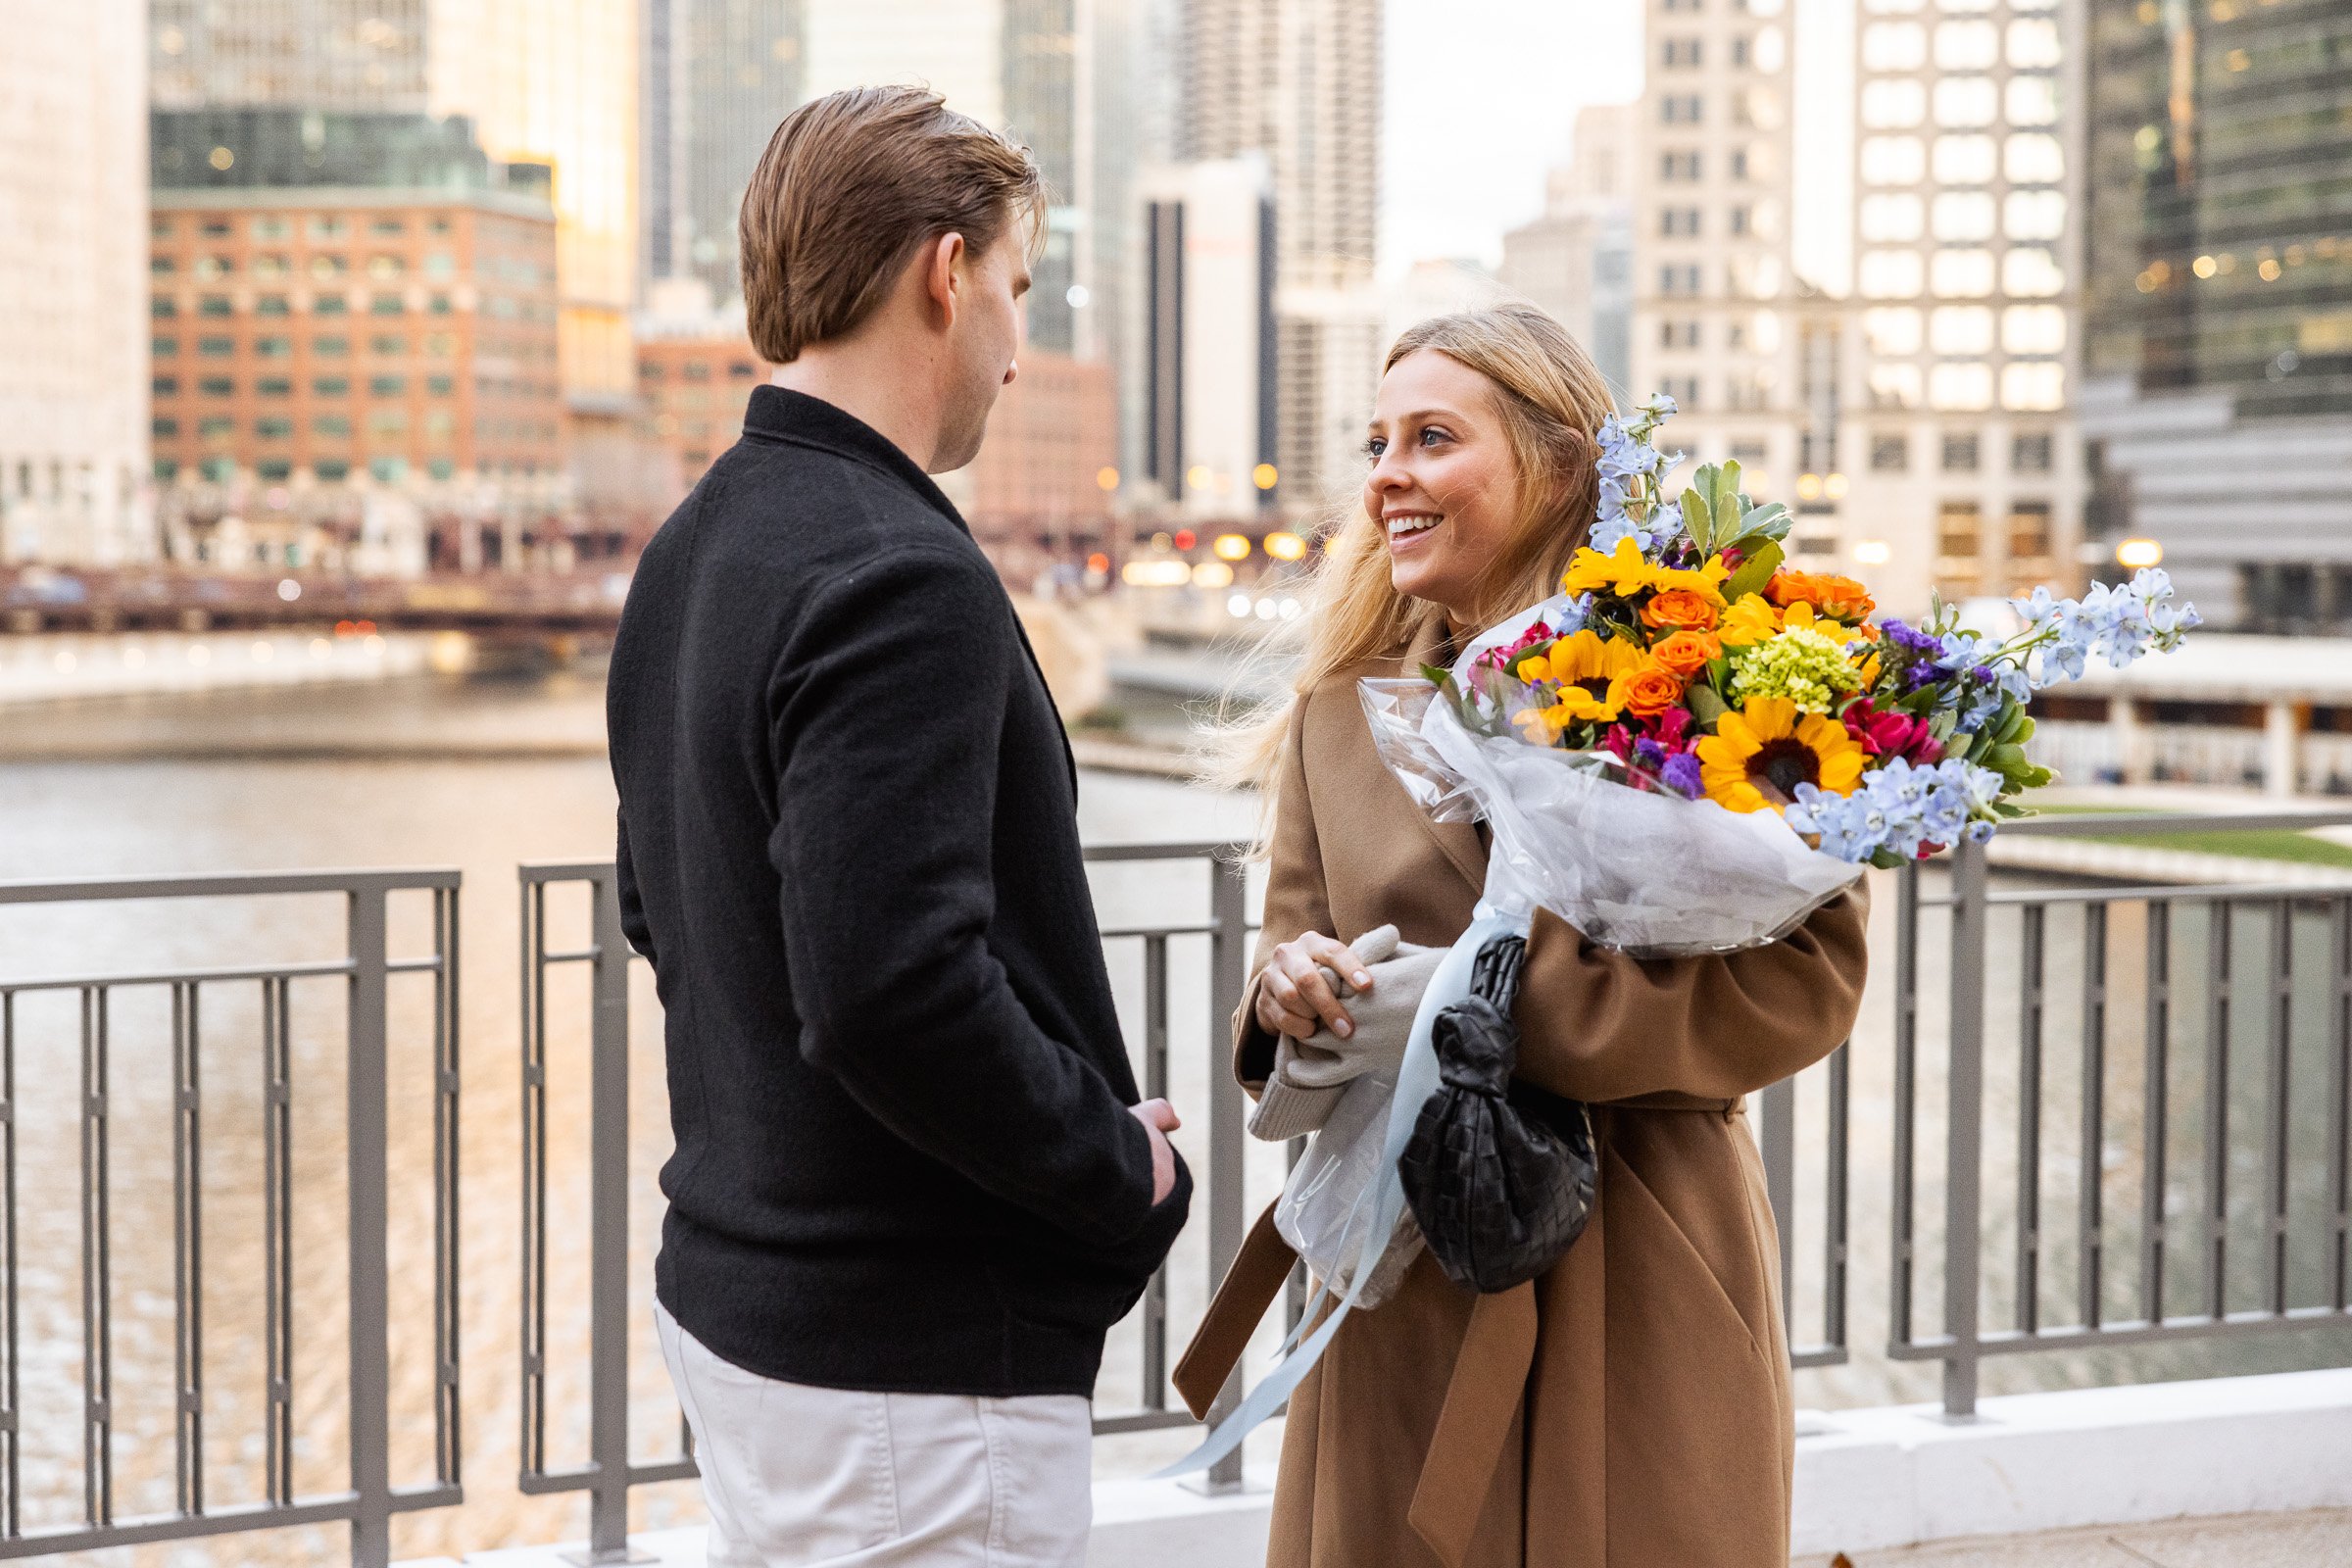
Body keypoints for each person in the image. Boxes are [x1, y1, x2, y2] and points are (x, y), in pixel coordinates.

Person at [1179, 305, 1870, 1566]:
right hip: (1403, 1278)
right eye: (1378, 441)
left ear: (1558, 466)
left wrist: (1479, 1004)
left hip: (1644, 1267)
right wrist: (1296, 1002)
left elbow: (1807, 978)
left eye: (1432, 437)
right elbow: (1283, 967)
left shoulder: (1710, 674)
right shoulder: (1339, 713)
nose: (1387, 472)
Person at [606, 85, 1191, 1567]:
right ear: (945, 273)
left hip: (751, 1304)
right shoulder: (894, 569)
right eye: (1016, 289)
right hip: (906, 1372)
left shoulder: (698, 543)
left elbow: (659, 911)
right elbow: (891, 988)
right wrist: (1112, 1167)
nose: (1014, 343)